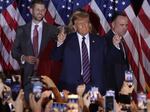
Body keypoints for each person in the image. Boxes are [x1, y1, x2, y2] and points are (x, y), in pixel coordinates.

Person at [12, 0, 59, 102]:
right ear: (31, 10)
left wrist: (43, 61)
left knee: (45, 105)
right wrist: (24, 58)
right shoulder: (21, 30)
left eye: (42, 10)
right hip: (27, 76)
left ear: (45, 11)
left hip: (46, 77)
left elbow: (58, 53)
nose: (40, 12)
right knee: (29, 104)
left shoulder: (53, 30)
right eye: (37, 9)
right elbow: (14, 51)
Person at [51, 11, 106, 95]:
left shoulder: (100, 41)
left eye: (86, 22)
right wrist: (60, 43)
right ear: (75, 27)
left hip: (94, 89)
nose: (84, 26)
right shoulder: (67, 40)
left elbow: (107, 62)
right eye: (80, 24)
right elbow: (55, 57)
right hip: (70, 88)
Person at [104, 12, 129, 100]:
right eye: (122, 25)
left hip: (123, 88)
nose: (125, 28)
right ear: (113, 24)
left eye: (126, 25)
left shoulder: (121, 39)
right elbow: (107, 64)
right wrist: (115, 47)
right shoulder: (105, 40)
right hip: (111, 90)